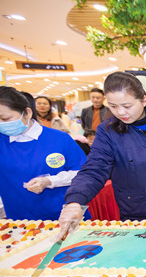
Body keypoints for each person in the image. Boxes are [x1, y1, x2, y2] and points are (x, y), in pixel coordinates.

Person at [59, 72, 146, 237]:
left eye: (127, 106)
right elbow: (94, 169)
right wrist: (75, 200)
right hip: (139, 216)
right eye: (113, 106)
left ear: (143, 100)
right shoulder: (108, 131)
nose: (120, 112)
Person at [0, 86, 86, 220]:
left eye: (5, 119)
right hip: (19, 220)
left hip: (63, 216)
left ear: (27, 113)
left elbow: (83, 173)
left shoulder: (59, 139)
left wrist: (49, 181)